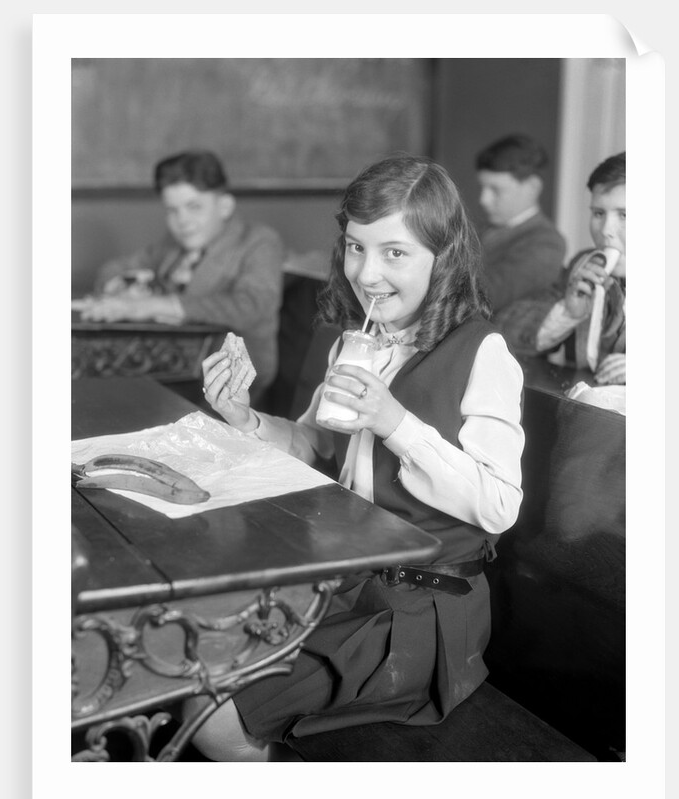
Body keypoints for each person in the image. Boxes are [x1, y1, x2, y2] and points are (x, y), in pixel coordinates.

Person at [181, 153, 525, 761]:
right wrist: (246, 417)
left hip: (422, 611)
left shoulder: (483, 351)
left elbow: (499, 505)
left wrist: (395, 423)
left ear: (441, 257)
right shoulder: (356, 342)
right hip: (350, 584)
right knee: (189, 654)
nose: (367, 274)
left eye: (395, 253)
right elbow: (314, 443)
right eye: (355, 248)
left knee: (208, 716)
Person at [77, 149, 284, 398]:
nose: (182, 220)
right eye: (172, 210)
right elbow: (114, 268)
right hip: (163, 368)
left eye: (194, 206)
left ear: (225, 206)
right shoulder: (173, 246)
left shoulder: (257, 242)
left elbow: (252, 306)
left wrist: (152, 306)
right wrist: (121, 287)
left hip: (230, 380)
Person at [496, 152, 626, 386]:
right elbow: (505, 331)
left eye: (624, 215)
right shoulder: (583, 266)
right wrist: (567, 312)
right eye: (598, 213)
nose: (606, 229)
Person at [475, 133, 566, 313]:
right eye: (483, 188)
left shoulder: (546, 244)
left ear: (532, 187)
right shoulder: (480, 230)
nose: (483, 199)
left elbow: (484, 298)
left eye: (496, 189)